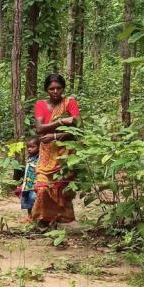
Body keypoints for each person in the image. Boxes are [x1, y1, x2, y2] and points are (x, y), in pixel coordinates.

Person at [32, 74, 80, 226]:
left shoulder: (70, 102)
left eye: (58, 88)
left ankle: (56, 219)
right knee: (42, 187)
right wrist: (61, 121)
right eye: (51, 88)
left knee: (61, 188)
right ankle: (43, 219)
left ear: (63, 88)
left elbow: (77, 128)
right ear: (46, 90)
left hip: (64, 153)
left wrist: (54, 135)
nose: (55, 91)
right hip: (46, 152)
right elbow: (39, 128)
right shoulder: (40, 104)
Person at [16, 136, 40, 222]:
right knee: (27, 199)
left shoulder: (39, 158)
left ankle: (35, 217)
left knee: (33, 198)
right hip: (27, 183)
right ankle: (29, 217)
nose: (29, 149)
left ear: (39, 147)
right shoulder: (29, 157)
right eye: (28, 147)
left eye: (32, 147)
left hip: (35, 183)